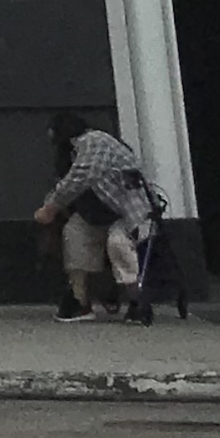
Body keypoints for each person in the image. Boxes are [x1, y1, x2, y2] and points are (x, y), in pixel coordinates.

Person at [29, 107, 159, 322]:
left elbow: (80, 177)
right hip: (97, 213)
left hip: (129, 212)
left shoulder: (94, 140)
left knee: (118, 244)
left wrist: (49, 208)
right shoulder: (72, 153)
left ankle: (138, 299)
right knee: (74, 236)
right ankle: (79, 301)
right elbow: (65, 182)